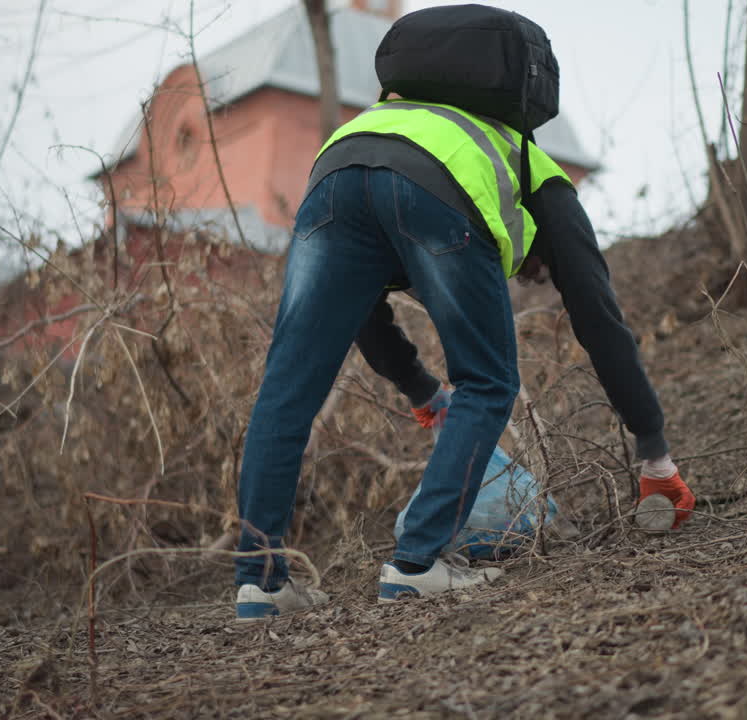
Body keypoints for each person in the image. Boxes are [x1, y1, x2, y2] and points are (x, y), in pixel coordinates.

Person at [233, 18, 695, 622]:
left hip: (333, 172)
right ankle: (416, 565)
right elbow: (601, 321)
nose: (529, 276)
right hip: (435, 190)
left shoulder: (386, 122)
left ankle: (261, 583)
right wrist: (655, 455)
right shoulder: (537, 173)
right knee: (489, 379)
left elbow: (360, 313)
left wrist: (423, 393)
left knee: (287, 390)